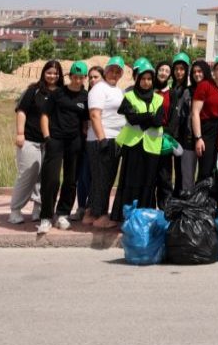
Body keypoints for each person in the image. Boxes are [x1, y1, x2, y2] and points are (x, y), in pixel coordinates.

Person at [112, 61, 168, 219]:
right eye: (143, 79)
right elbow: (131, 119)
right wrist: (148, 117)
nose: (146, 82)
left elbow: (158, 121)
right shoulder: (129, 96)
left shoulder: (158, 99)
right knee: (130, 181)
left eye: (149, 79)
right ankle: (126, 215)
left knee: (148, 182)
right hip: (133, 145)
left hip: (152, 146)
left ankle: (144, 215)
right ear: (137, 80)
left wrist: (142, 117)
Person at [38, 61, 89, 232]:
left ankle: (62, 214)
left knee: (70, 180)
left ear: (85, 78)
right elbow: (44, 115)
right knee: (51, 179)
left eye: (80, 77)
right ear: (70, 76)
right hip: (55, 140)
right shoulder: (58, 94)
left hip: (75, 142)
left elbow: (86, 121)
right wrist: (47, 138)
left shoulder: (86, 97)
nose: (77, 80)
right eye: (74, 77)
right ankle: (45, 217)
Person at [9, 59, 60, 225]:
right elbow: (21, 111)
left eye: (55, 73)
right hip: (30, 139)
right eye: (49, 72)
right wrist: (19, 133)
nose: (52, 76)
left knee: (44, 177)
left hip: (51, 142)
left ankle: (38, 209)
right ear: (43, 73)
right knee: (28, 175)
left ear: (59, 75)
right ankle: (15, 210)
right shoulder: (33, 90)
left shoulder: (61, 92)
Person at [86, 57, 126, 229]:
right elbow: (95, 115)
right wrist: (102, 139)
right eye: (112, 70)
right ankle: (101, 215)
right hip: (103, 139)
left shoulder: (116, 89)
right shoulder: (99, 89)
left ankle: (91, 213)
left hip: (114, 138)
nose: (114, 74)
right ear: (106, 70)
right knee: (103, 179)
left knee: (101, 179)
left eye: (118, 71)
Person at [191, 55, 218, 200]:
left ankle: (215, 209)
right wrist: (198, 138)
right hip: (207, 131)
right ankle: (198, 209)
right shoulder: (205, 85)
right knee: (205, 172)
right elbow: (195, 113)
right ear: (213, 71)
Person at [72, 65, 105, 222]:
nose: (93, 80)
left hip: (102, 139)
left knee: (97, 176)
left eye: (96, 77)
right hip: (85, 140)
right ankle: (81, 207)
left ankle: (93, 207)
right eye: (90, 77)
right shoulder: (85, 95)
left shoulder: (107, 93)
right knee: (83, 175)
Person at [163, 53, 195, 197]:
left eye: (182, 69)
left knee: (183, 172)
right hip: (169, 135)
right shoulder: (170, 89)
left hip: (183, 136)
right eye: (176, 69)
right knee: (168, 171)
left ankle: (182, 199)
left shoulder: (190, 90)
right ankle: (172, 199)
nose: (179, 72)